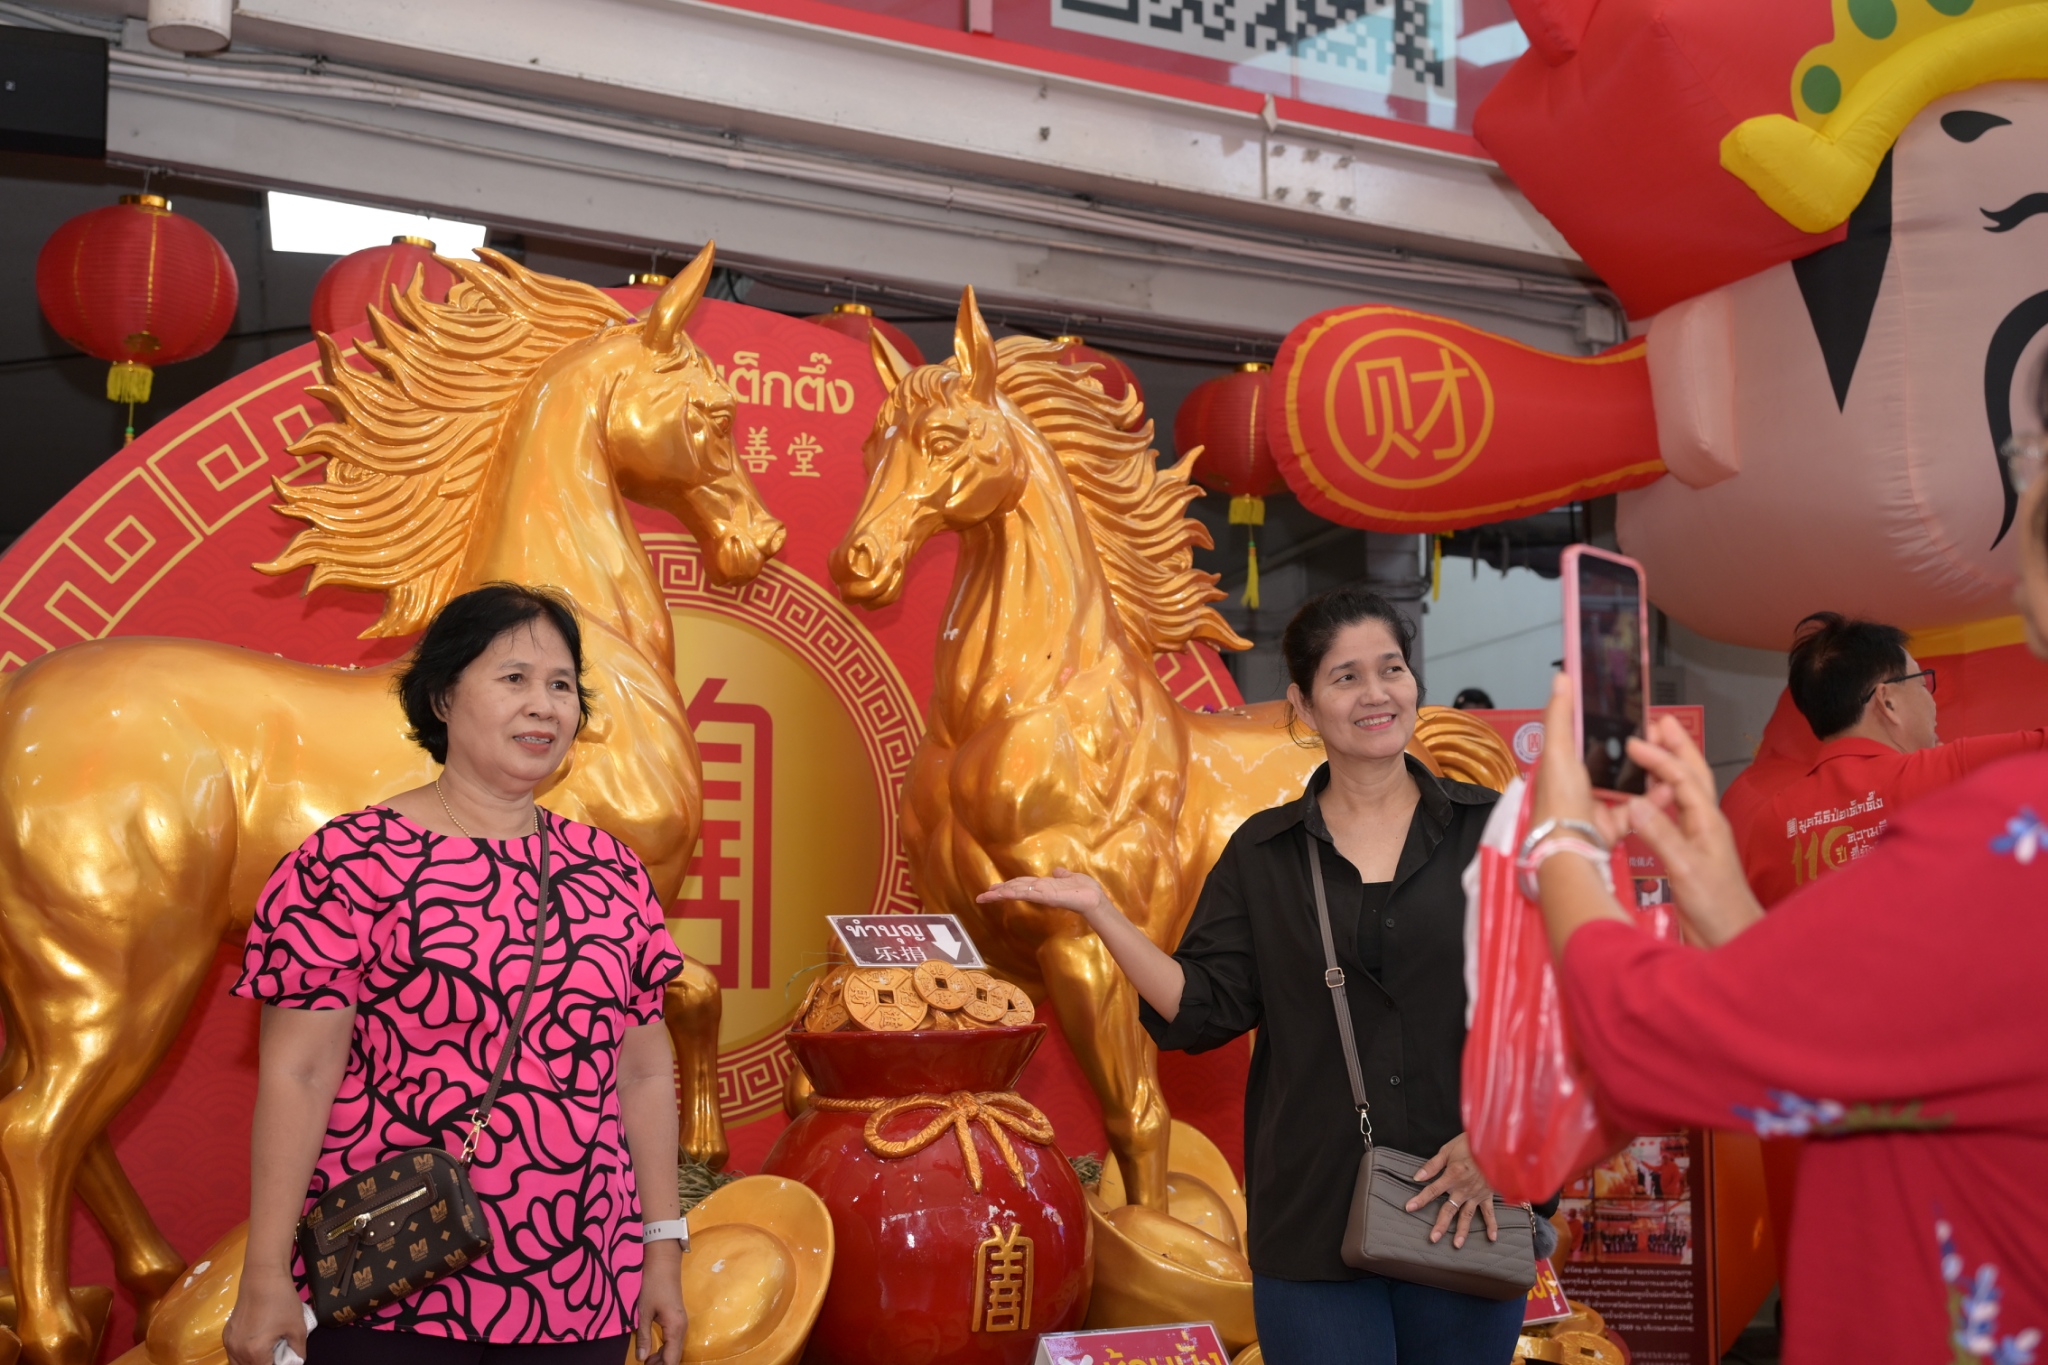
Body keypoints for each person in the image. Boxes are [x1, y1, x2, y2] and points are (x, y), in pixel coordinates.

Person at [1520, 433, 2048, 1363]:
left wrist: (1560, 840)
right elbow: (1843, 1022)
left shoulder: (2001, 830)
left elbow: (1655, 1038)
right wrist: (1727, 905)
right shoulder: (1984, 805)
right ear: (1887, 700)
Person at [982, 587, 1526, 1365]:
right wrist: (1104, 914)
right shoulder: (1265, 853)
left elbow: (1561, 1007)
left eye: (1391, 669)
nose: (1376, 693)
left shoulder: (1495, 831)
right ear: (1302, 704)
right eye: (1346, 677)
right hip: (1313, 1221)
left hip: (1468, 1205)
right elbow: (1202, 1004)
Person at [222, 584, 689, 1365]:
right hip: (393, 1284)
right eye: (514, 678)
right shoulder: (348, 861)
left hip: (582, 1290)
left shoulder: (612, 872)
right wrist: (266, 1270)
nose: (543, 705)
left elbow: (641, 1072)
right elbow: (299, 1072)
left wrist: (662, 1249)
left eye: (561, 684)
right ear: (442, 696)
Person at [1736, 612, 2045, 907]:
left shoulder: (1770, 824)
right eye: (1922, 683)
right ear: (1887, 701)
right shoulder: (1949, 770)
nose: (1931, 701)